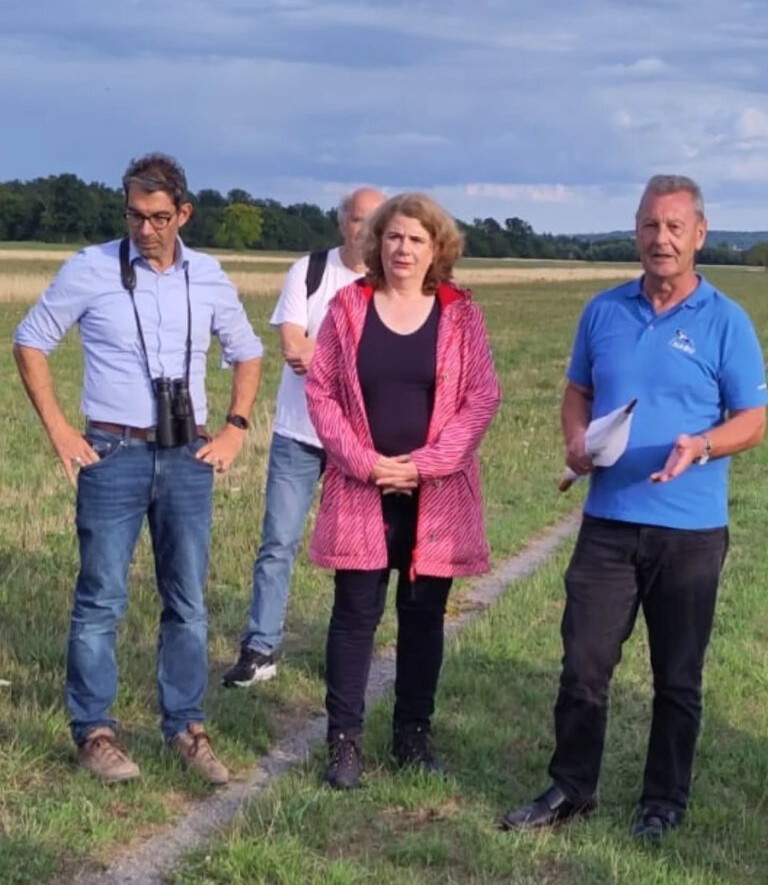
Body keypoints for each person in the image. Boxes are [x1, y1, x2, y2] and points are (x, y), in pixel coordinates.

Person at [501, 175, 766, 842]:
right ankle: (571, 787)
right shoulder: (604, 311)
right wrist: (573, 437)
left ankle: (662, 802)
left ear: (700, 235)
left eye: (676, 227)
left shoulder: (726, 320)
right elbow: (577, 390)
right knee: (584, 665)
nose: (661, 239)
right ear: (635, 232)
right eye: (650, 225)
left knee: (678, 676)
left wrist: (703, 444)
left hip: (691, 531)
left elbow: (754, 417)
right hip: (609, 525)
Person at [13, 153, 263, 785]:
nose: (145, 229)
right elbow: (30, 340)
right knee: (100, 597)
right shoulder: (91, 268)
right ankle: (94, 732)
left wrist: (235, 428)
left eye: (158, 217)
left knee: (188, 600)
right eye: (133, 215)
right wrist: (61, 430)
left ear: (183, 213)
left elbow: (248, 352)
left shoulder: (207, 275)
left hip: (186, 457)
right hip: (113, 452)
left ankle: (187, 727)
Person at [305, 192, 502, 789]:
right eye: (393, 237)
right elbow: (321, 393)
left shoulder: (460, 314)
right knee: (355, 615)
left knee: (423, 619)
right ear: (376, 243)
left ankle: (413, 735)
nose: (403, 249)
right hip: (361, 488)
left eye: (417, 239)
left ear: (437, 247)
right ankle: (344, 743)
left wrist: (423, 465)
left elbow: (481, 399)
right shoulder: (348, 307)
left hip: (435, 493)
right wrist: (366, 463)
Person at [222, 187, 384, 687]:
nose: (367, 231)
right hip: (298, 433)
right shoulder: (309, 271)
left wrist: (330, 355)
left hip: (357, 440)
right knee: (278, 542)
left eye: (377, 222)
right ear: (342, 224)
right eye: (358, 220)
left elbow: (384, 365)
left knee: (356, 550)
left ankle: (350, 647)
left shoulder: (390, 284)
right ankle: (260, 648)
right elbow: (294, 348)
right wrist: (350, 357)